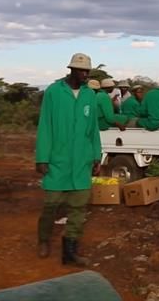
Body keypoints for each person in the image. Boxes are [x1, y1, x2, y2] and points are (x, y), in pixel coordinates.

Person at [35, 53, 101, 266]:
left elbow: (93, 128)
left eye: (87, 71)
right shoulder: (54, 92)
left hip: (82, 160)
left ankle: (70, 252)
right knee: (51, 204)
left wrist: (97, 156)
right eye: (81, 71)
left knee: (79, 207)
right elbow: (45, 126)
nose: (85, 75)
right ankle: (43, 239)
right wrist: (42, 158)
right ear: (71, 70)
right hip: (58, 159)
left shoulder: (89, 94)